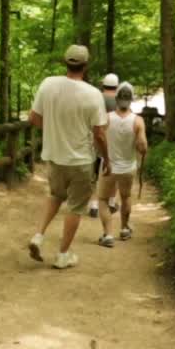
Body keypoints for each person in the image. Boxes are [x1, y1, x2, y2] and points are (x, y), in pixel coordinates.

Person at [28, 45, 110, 269]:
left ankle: (38, 235)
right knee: (75, 207)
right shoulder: (93, 94)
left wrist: (55, 131)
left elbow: (34, 118)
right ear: (86, 65)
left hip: (55, 157)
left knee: (55, 195)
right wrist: (107, 160)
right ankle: (63, 255)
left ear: (65, 62)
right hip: (81, 160)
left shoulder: (48, 84)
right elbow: (100, 134)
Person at [96, 82, 148, 247]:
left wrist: (102, 156)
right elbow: (142, 146)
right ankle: (124, 229)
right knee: (126, 197)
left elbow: (98, 139)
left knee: (103, 200)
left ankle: (108, 235)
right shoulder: (138, 121)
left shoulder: (107, 118)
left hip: (108, 166)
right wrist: (141, 147)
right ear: (131, 100)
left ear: (117, 99)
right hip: (128, 167)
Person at [89, 73, 121, 218]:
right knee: (113, 171)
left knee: (96, 172)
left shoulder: (97, 97)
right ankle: (112, 202)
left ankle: (94, 204)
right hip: (114, 139)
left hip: (97, 137)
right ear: (117, 85)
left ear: (103, 84)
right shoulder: (120, 100)